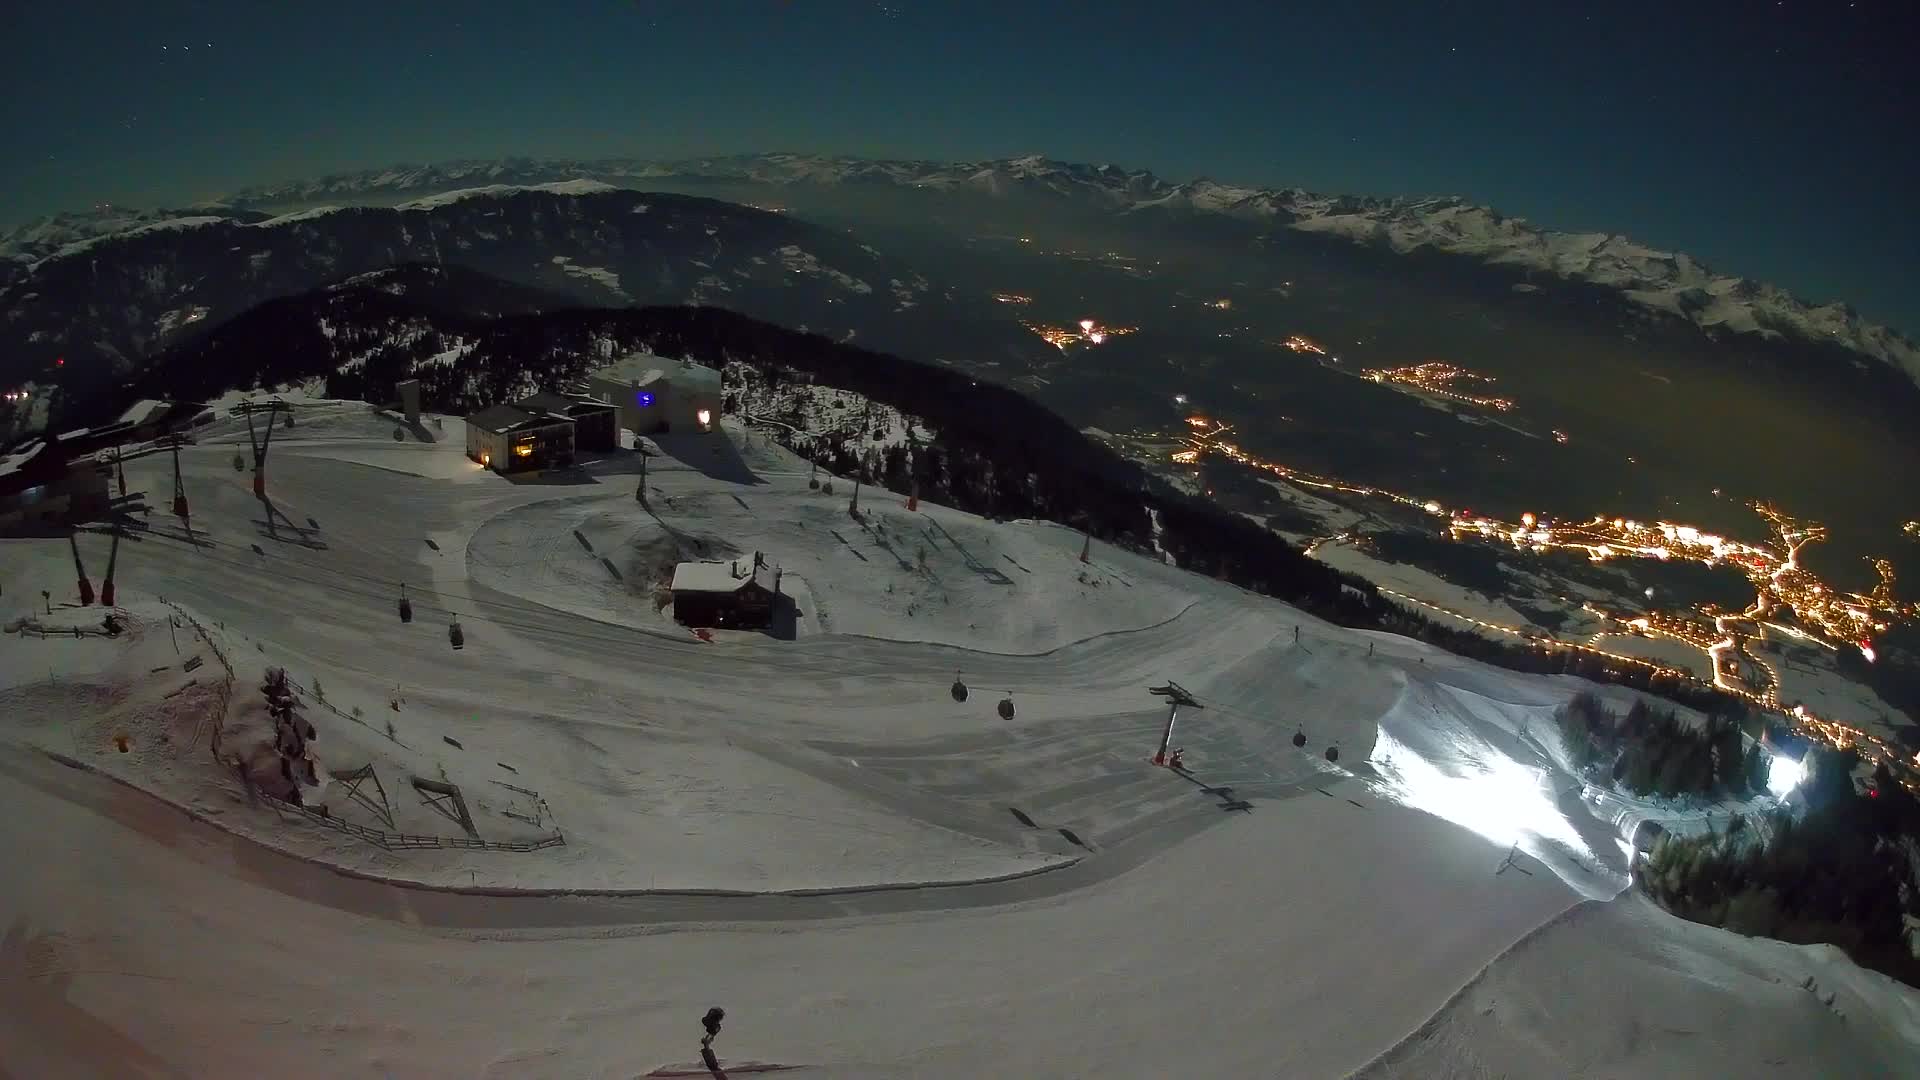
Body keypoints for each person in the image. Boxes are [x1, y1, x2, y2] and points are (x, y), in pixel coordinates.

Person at [700, 1007, 726, 1077]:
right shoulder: (715, 1027)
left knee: (714, 1068)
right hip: (708, 1049)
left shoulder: (715, 1027)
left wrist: (707, 1041)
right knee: (714, 1068)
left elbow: (709, 1037)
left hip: (708, 1049)